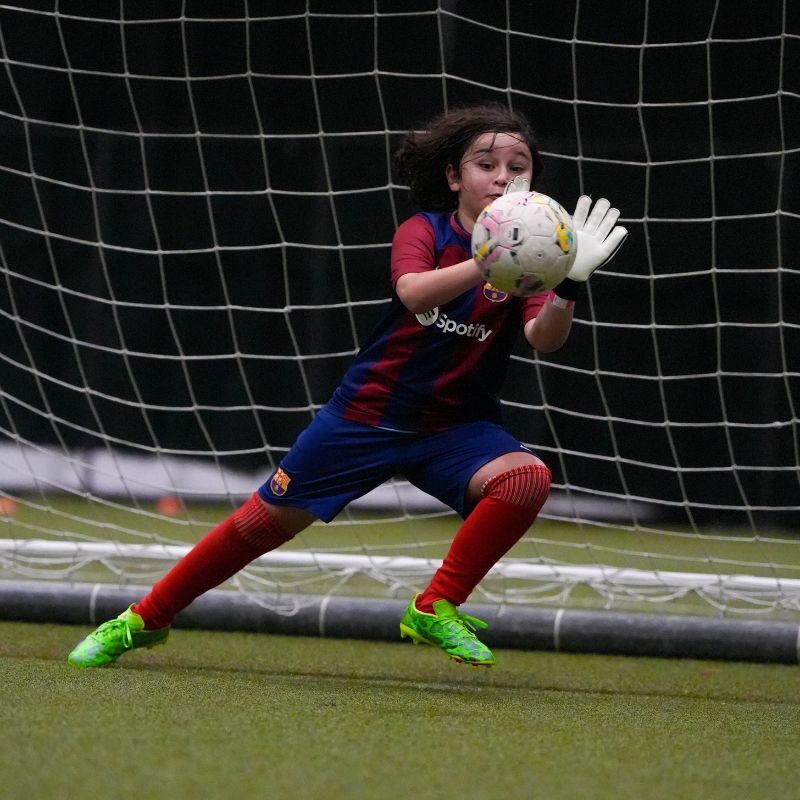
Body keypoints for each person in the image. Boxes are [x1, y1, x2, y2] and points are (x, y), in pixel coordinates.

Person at [67, 103, 627, 669]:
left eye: (518, 165)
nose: (504, 176)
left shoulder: (538, 260)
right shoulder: (425, 231)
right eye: (487, 164)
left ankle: (434, 606)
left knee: (527, 480)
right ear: (455, 177)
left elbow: (544, 338)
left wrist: (570, 281)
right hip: (366, 417)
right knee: (258, 526)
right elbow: (413, 293)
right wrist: (492, 260)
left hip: (456, 429)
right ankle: (141, 619)